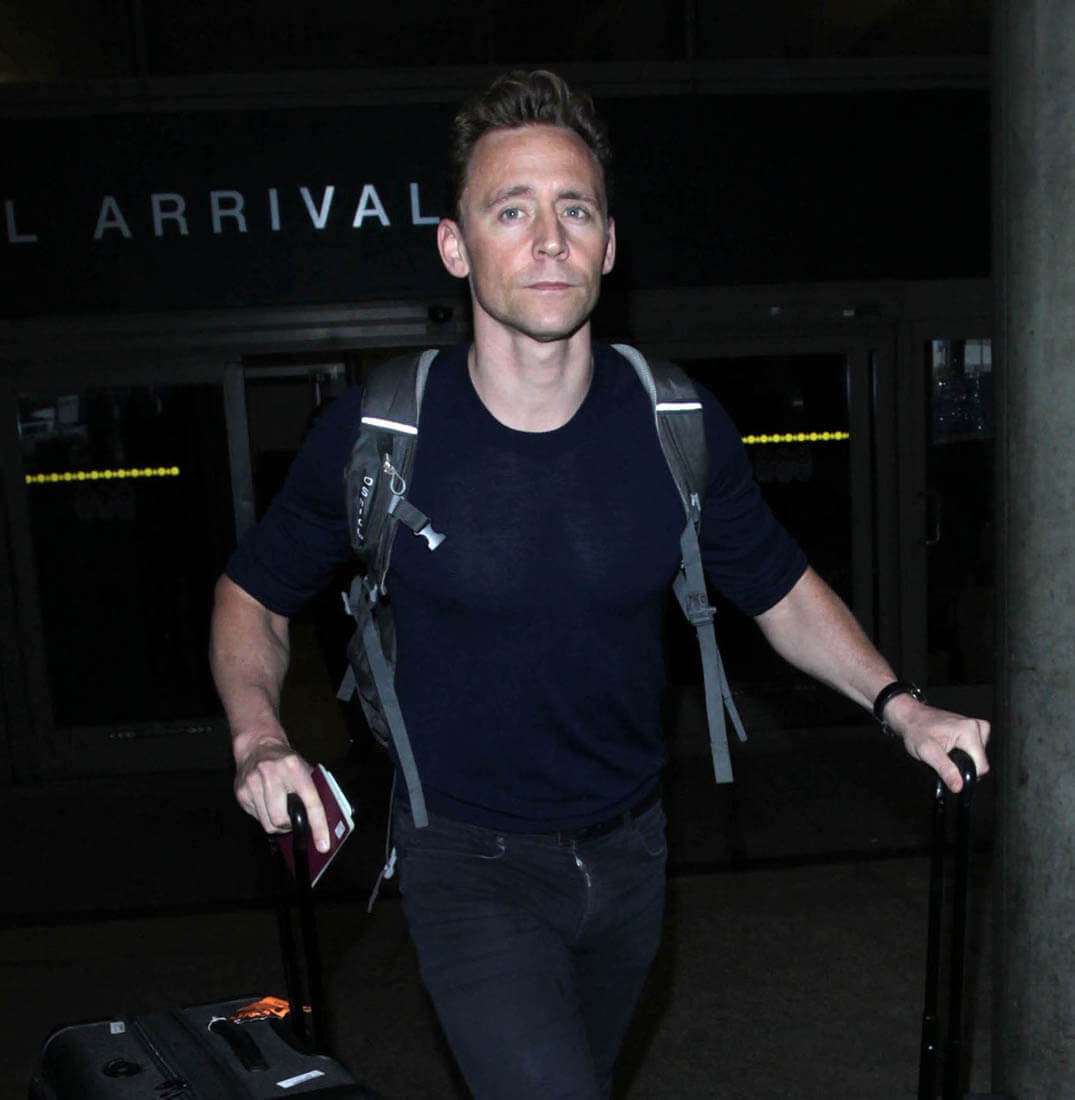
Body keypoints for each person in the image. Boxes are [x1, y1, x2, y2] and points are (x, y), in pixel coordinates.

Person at [210, 69, 990, 1100]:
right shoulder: (379, 433)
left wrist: (900, 704)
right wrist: (259, 737)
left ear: (609, 244)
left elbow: (779, 588)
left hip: (630, 853)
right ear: (454, 246)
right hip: (467, 861)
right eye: (511, 210)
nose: (548, 239)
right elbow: (253, 595)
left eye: (574, 209)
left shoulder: (676, 424)